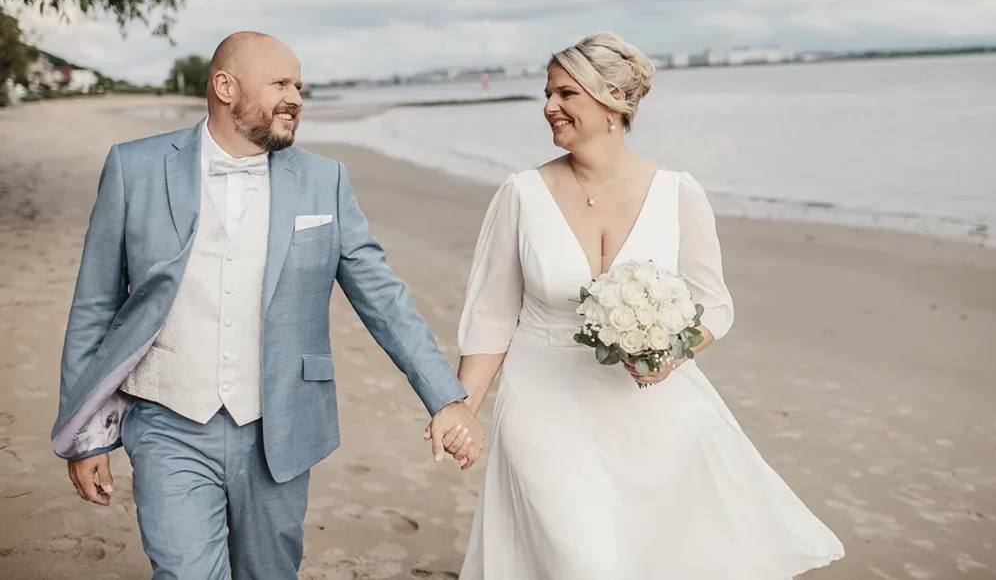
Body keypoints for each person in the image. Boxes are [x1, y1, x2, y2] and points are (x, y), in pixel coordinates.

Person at [50, 31, 482, 579]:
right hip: (167, 422)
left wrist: (444, 397)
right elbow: (93, 305)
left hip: (279, 424)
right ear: (225, 86)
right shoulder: (134, 167)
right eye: (281, 82)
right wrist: (83, 434)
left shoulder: (324, 180)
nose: (296, 97)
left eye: (300, 86)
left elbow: (383, 295)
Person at [446, 31, 845, 578]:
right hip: (542, 404)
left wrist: (672, 353)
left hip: (652, 412)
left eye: (566, 94)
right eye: (548, 94)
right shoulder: (521, 194)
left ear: (613, 101)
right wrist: (462, 408)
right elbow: (490, 316)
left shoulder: (677, 192)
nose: (548, 107)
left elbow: (714, 305)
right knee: (578, 559)